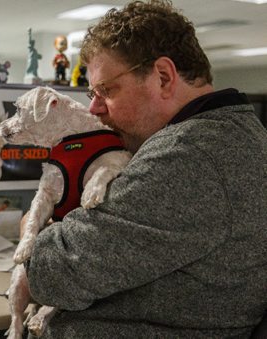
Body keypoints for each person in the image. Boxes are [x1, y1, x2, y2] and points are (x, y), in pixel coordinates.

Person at [23, 0, 267, 338]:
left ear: (163, 77)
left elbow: (52, 274)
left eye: (105, 91)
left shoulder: (186, 157)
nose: (94, 110)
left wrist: (32, 227)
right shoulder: (242, 135)